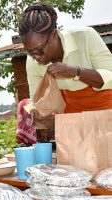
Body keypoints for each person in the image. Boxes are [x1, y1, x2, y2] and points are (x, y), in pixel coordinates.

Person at [16, 2, 112, 145]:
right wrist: (39, 116)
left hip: (107, 113)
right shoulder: (33, 62)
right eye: (30, 52)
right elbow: (37, 100)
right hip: (73, 122)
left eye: (40, 50)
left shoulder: (85, 37)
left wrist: (74, 71)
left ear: (54, 35)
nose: (35, 56)